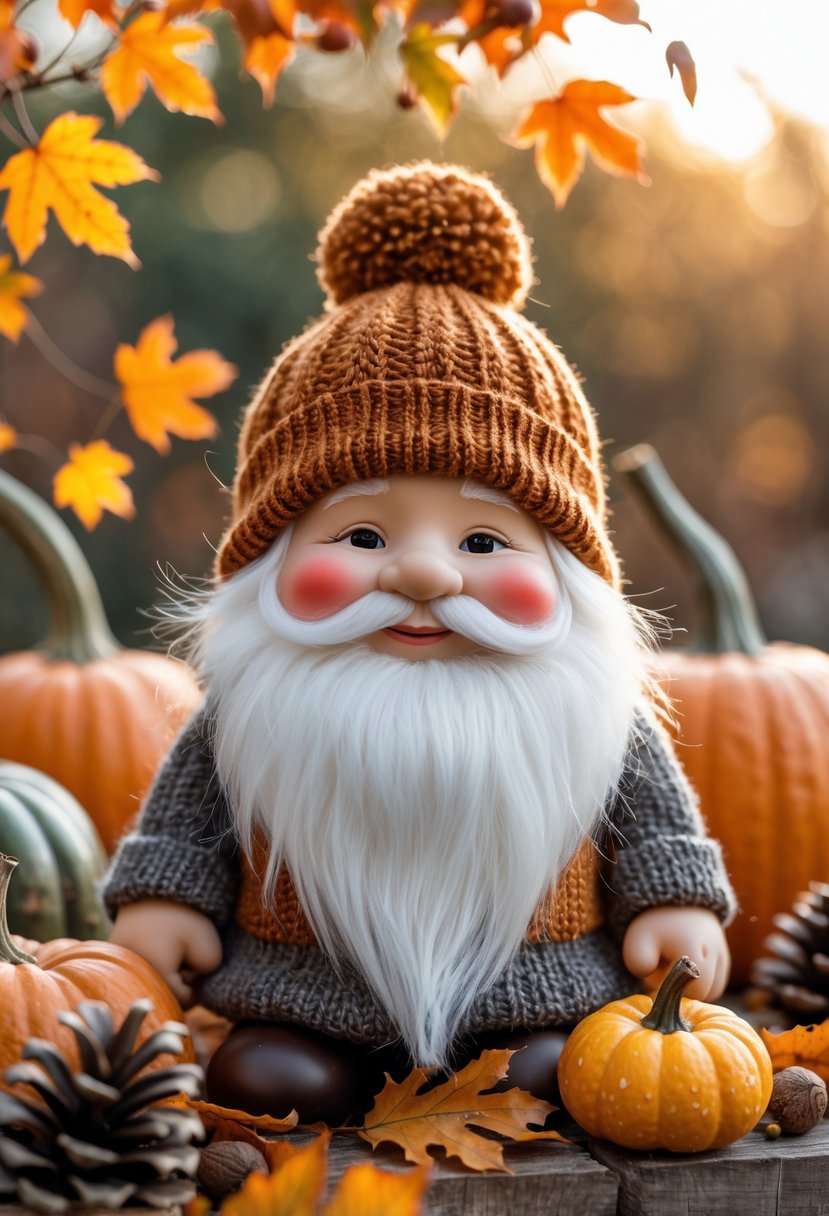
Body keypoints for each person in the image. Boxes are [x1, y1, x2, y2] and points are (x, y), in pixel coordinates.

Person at [104, 162, 735, 1123]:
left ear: (566, 570)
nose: (425, 573)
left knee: (543, 1075)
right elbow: (191, 820)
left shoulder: (587, 711)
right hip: (302, 992)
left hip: (535, 992)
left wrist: (670, 900)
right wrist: (169, 898)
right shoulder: (257, 711)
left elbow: (649, 821)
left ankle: (513, 1055)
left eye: (483, 542)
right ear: (272, 555)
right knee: (274, 1078)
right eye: (362, 535)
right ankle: (312, 1051)